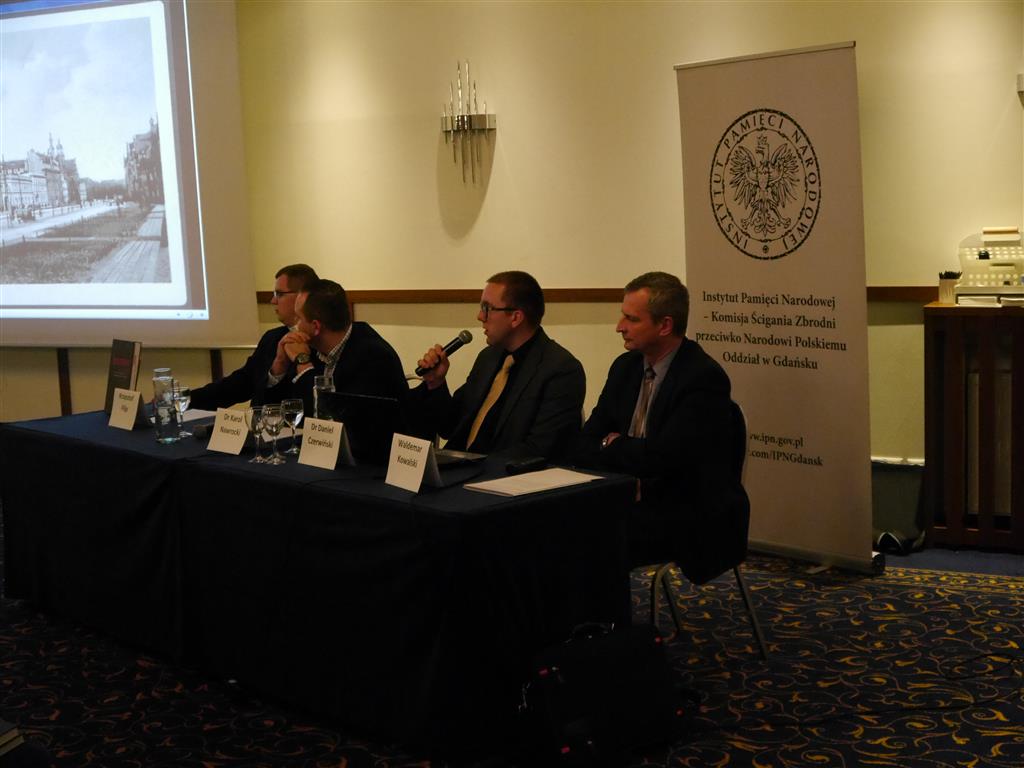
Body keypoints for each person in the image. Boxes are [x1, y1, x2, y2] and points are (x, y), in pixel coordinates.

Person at [572, 272, 749, 583]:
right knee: (555, 522)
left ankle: (602, 614)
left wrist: (614, 445)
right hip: (628, 495)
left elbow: (666, 459)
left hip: (686, 508)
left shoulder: (702, 377)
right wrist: (617, 450)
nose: (619, 326)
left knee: (592, 537)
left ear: (665, 325)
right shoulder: (625, 367)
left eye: (631, 319)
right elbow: (586, 441)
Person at [411, 270, 585, 462]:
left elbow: (539, 450)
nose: (480, 316)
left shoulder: (561, 370)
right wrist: (436, 383)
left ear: (515, 318)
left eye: (487, 308)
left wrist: (473, 467)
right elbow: (450, 426)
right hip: (459, 469)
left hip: (503, 475)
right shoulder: (489, 358)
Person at [263, 278, 408, 461]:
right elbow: (270, 412)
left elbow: (337, 422)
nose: (295, 326)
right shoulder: (310, 348)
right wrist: (280, 364)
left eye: (298, 318)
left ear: (316, 326)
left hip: (372, 464)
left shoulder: (372, 356)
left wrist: (304, 364)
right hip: (323, 458)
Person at [189, 263, 319, 411]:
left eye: (279, 294)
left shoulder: (321, 341)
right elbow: (241, 383)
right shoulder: (272, 338)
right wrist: (188, 399)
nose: (273, 301)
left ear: (302, 296)